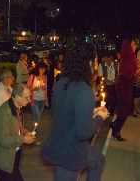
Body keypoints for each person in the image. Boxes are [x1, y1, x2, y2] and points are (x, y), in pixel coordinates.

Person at [40, 41, 109, 181]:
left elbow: (64, 111)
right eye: (95, 60)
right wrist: (100, 117)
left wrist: (91, 111)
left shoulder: (62, 82)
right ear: (89, 63)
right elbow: (84, 133)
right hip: (70, 150)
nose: (96, 64)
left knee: (97, 160)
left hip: (59, 140)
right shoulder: (85, 91)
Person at [0, 83, 36, 181]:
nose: (29, 100)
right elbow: (3, 139)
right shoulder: (5, 112)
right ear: (17, 97)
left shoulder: (17, 107)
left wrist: (25, 132)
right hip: (3, 156)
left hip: (13, 153)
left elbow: (16, 127)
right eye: (27, 97)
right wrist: (23, 139)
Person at [110, 38, 140, 141]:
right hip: (124, 86)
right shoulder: (127, 58)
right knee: (125, 109)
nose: (135, 47)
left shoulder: (131, 57)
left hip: (127, 86)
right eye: (134, 44)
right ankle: (116, 129)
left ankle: (115, 126)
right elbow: (131, 75)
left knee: (126, 108)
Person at [27, 61, 49, 145]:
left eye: (44, 69)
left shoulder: (44, 77)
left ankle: (34, 136)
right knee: (37, 118)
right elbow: (27, 88)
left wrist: (46, 101)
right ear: (38, 69)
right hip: (34, 100)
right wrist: (33, 89)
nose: (42, 70)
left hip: (42, 100)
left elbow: (45, 90)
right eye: (41, 68)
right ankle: (35, 137)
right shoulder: (32, 77)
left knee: (37, 119)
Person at [97, 52, 119, 116]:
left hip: (114, 84)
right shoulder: (101, 65)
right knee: (106, 99)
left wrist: (114, 81)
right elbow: (100, 76)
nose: (107, 61)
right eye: (106, 59)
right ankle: (104, 113)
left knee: (114, 99)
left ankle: (111, 112)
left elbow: (118, 74)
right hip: (106, 85)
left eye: (109, 59)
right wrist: (108, 81)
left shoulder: (116, 64)